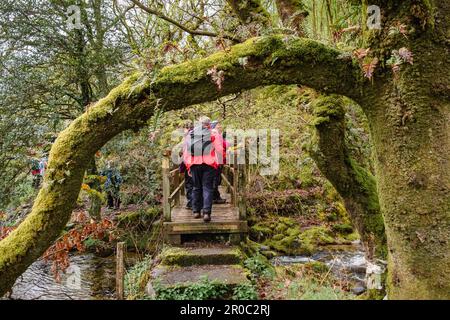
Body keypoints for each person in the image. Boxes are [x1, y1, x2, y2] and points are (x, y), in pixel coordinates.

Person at [183, 116, 224, 222]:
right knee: (207, 188)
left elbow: (186, 151)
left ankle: (196, 211)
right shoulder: (213, 133)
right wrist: (219, 163)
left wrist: (188, 166)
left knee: (196, 187)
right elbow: (219, 149)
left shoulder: (190, 134)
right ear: (209, 124)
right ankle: (206, 213)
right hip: (209, 164)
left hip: (194, 164)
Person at [210, 121, 228, 204]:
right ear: (214, 127)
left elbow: (224, 144)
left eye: (220, 125)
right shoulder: (215, 134)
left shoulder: (216, 134)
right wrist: (224, 154)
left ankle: (215, 197)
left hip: (214, 160)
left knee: (216, 179)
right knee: (215, 179)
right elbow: (220, 147)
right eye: (218, 126)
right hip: (216, 161)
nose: (220, 127)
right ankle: (214, 197)